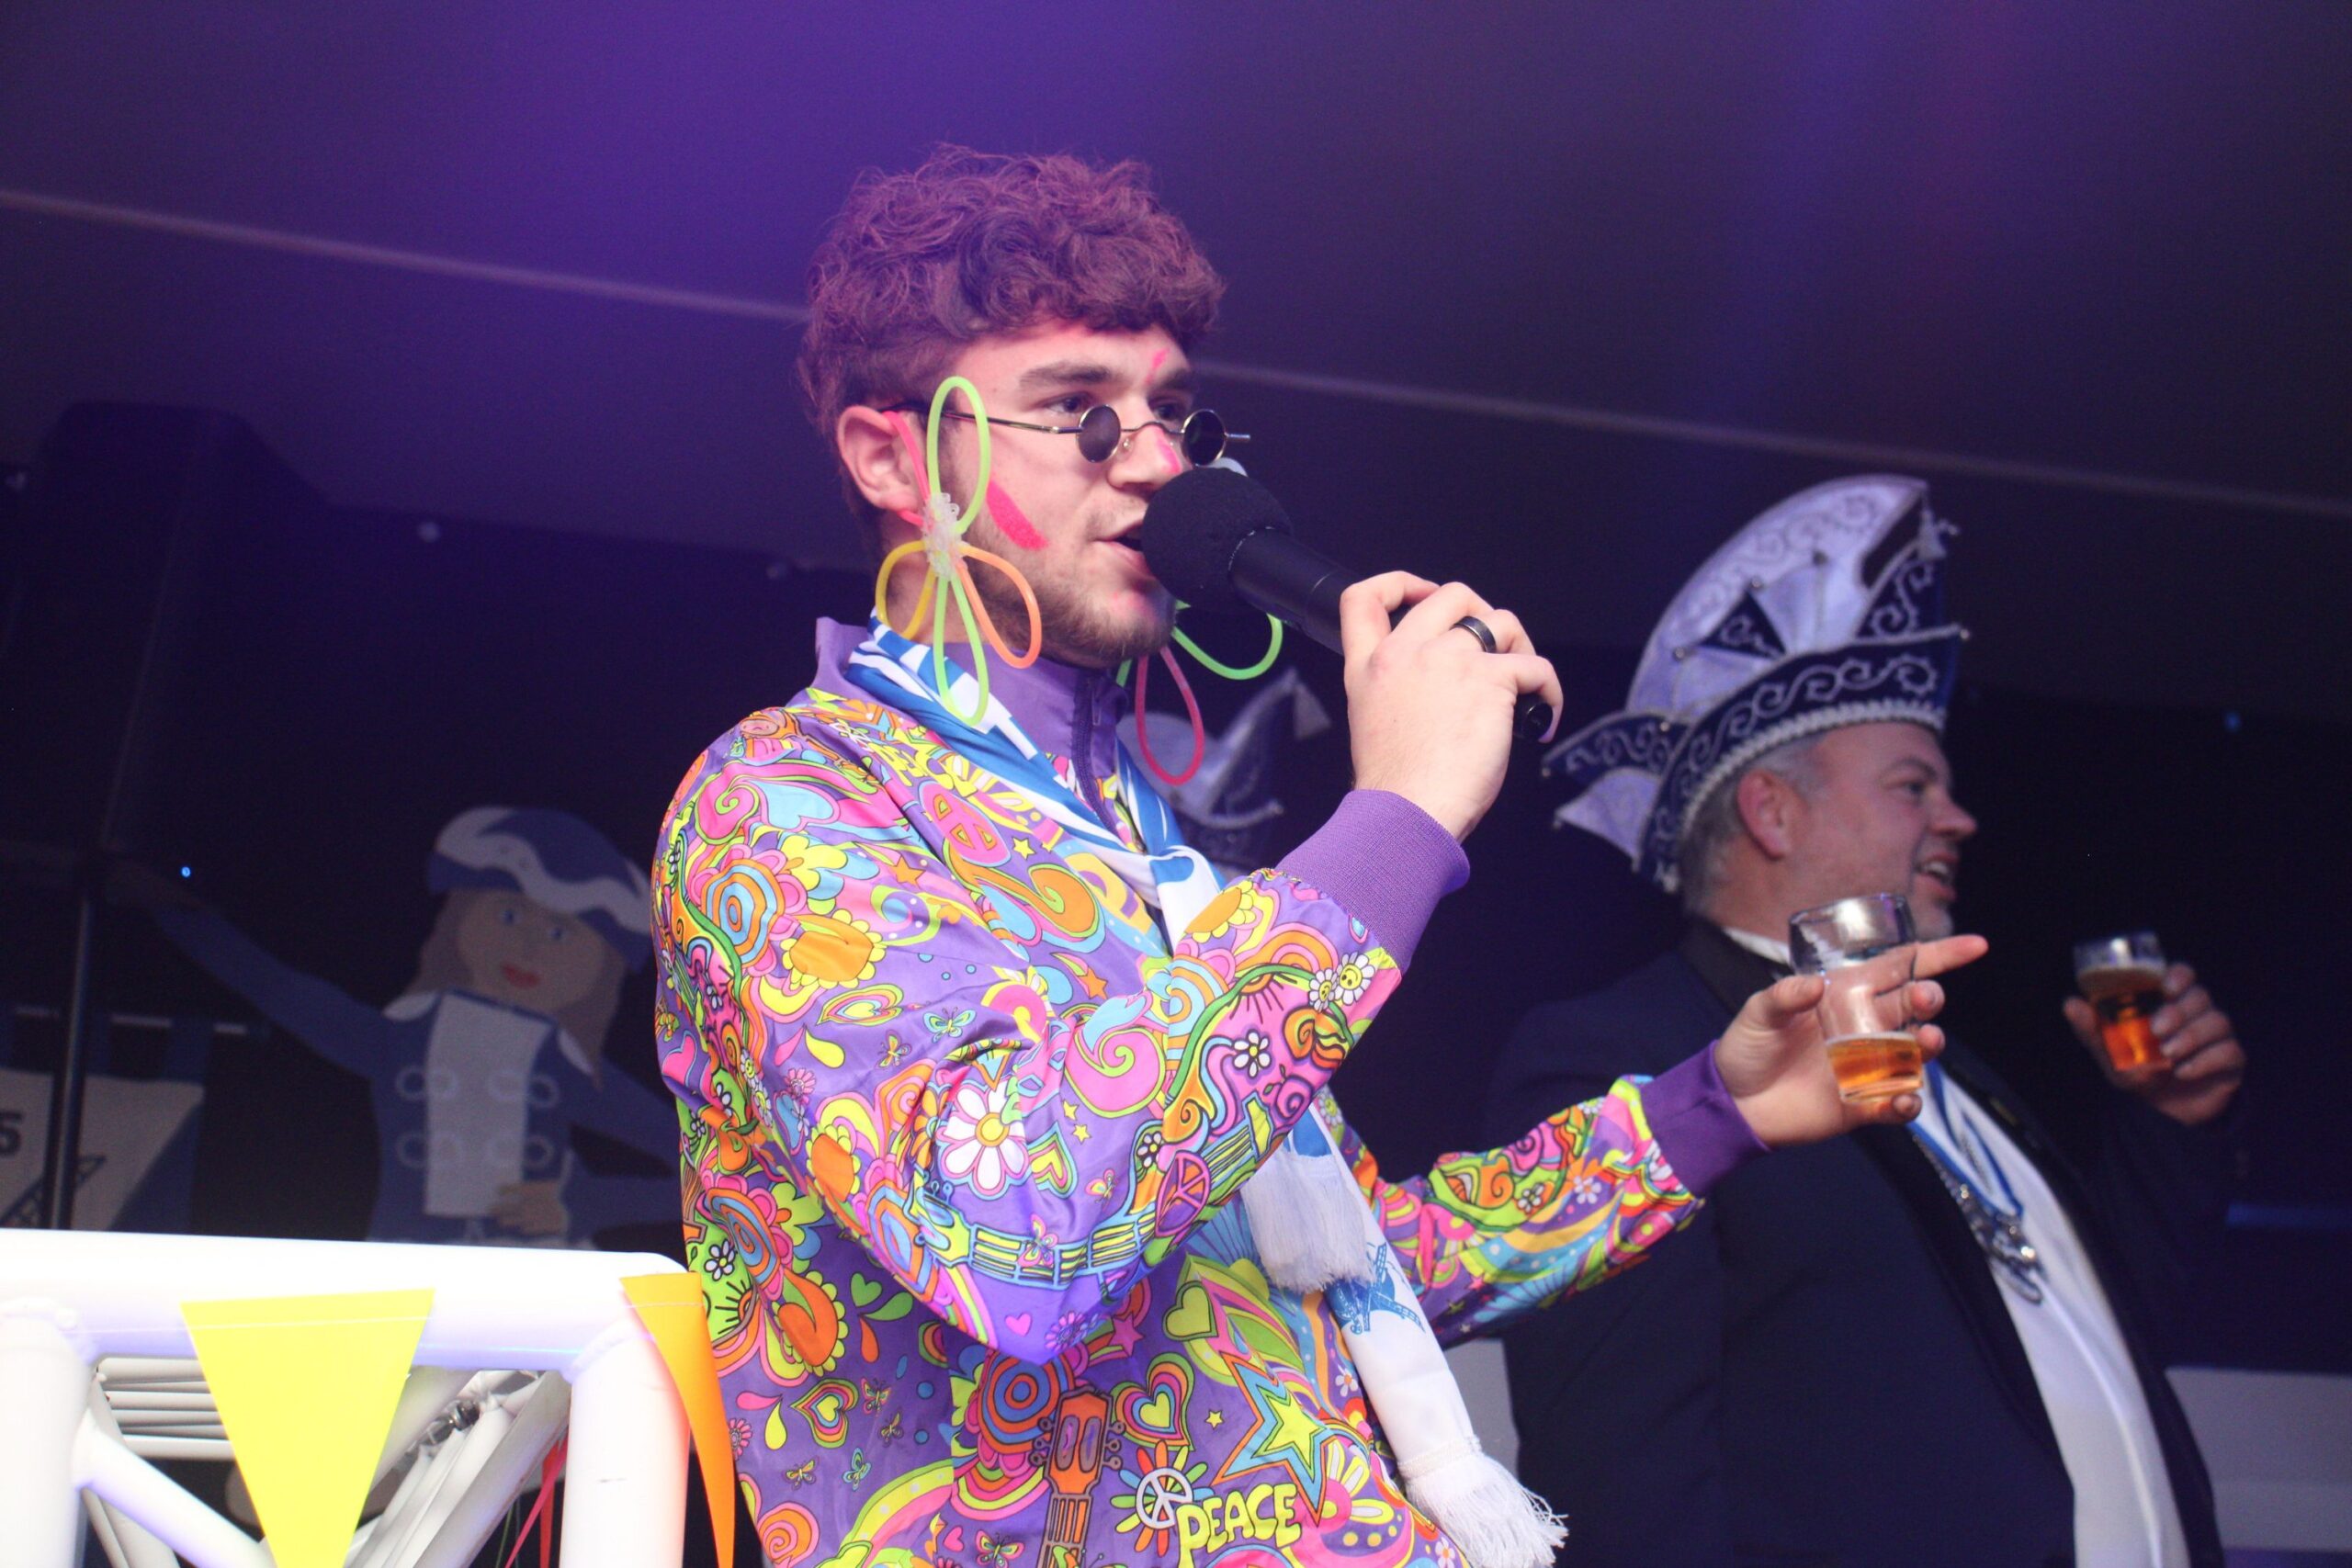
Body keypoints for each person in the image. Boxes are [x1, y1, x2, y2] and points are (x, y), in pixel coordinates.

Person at [651, 150, 1979, 1568]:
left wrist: (1708, 1109)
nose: (1156, 461)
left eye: (1174, 413)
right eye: (1081, 411)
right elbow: (1016, 1226)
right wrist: (1394, 817)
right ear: (893, 458)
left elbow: (1337, 1279)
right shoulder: (787, 801)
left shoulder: (1138, 848)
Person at [1487, 476, 2245, 1568]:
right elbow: (1623, 1487)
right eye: (1912, 786)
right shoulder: (1621, 1057)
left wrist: (2171, 1123)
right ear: (1772, 812)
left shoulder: (1955, 1069)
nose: (1958, 818)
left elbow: (2093, 1340)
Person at [130, 805, 679, 1245]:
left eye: (561, 934)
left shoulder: (565, 1067)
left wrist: (579, 1203)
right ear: (464, 917)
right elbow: (283, 992)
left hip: (529, 1278)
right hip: (410, 1261)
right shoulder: (404, 1038)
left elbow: (698, 1159)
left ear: (597, 966)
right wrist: (176, 914)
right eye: (509, 916)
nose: (529, 946)